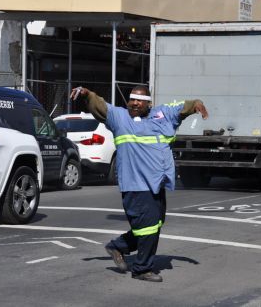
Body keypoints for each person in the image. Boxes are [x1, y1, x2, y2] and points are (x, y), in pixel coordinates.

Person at [70, 85, 208, 282]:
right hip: (135, 184)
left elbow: (182, 107)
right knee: (148, 227)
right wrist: (87, 95)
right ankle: (142, 269)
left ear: (148, 103)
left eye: (139, 100)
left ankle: (118, 246)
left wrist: (196, 104)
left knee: (154, 225)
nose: (134, 103)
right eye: (132, 99)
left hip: (156, 184)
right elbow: (99, 105)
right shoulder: (119, 117)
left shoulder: (162, 114)